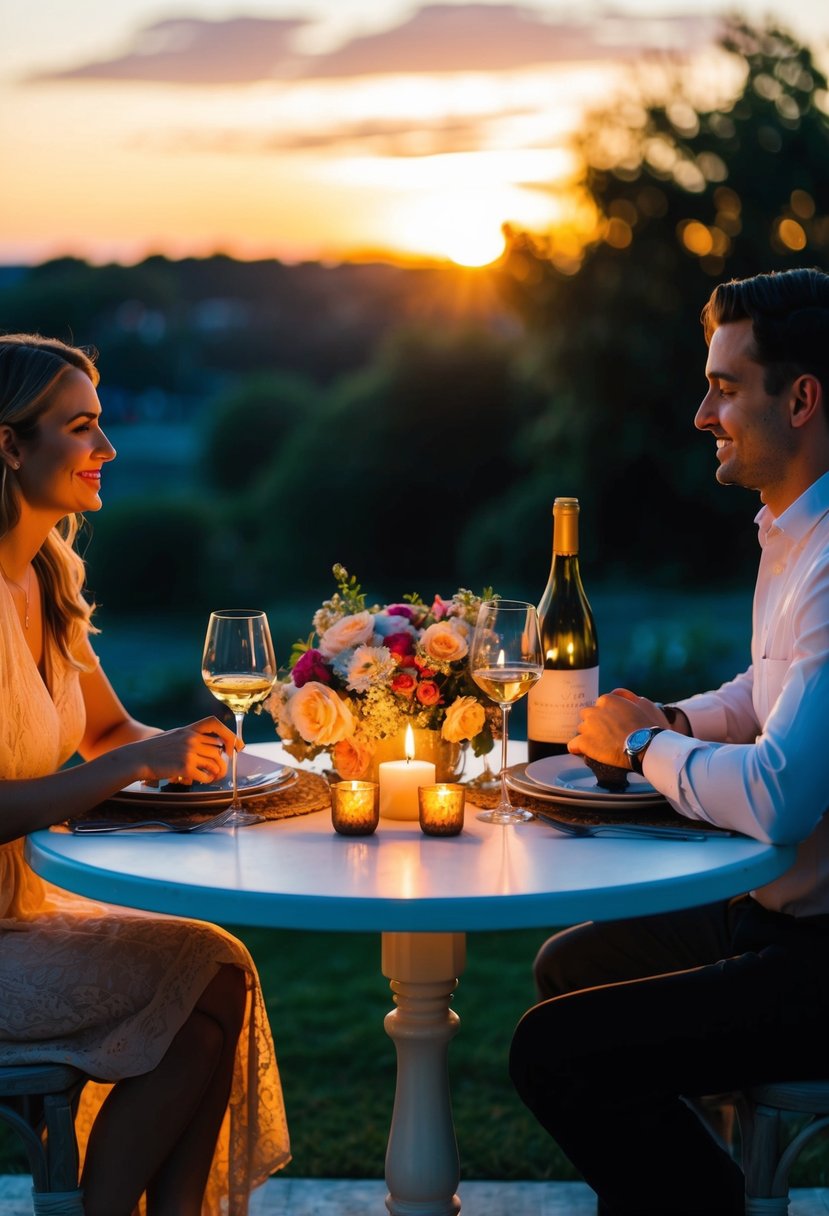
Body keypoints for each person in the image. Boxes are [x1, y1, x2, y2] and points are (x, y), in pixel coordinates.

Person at [509, 267, 829, 1216]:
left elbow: (780, 795)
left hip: (818, 953)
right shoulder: (793, 535)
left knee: (555, 1053)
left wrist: (647, 747)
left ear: (802, 398)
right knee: (571, 963)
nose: (701, 414)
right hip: (775, 916)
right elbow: (769, 691)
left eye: (725, 388)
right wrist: (681, 723)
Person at [0, 333, 290, 1216]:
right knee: (205, 975)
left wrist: (219, 757)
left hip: (21, 907)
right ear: (9, 445)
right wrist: (138, 760)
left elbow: (110, 729)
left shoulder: (46, 575)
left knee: (215, 982)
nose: (107, 449)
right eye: (81, 427)